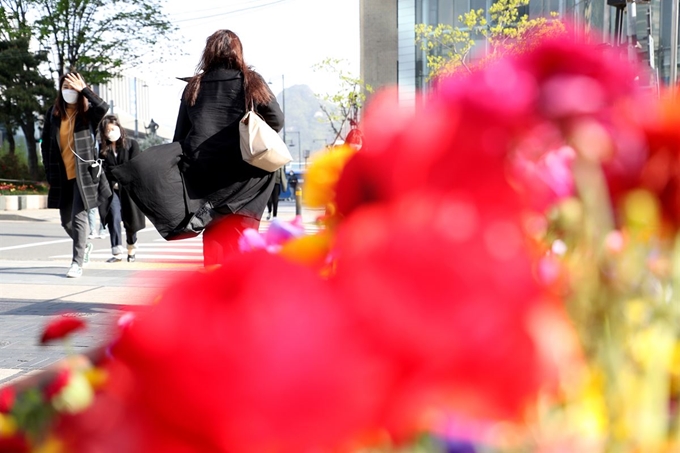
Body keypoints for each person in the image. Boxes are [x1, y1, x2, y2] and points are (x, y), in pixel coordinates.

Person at [173, 29, 284, 266]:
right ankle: (244, 300)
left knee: (213, 248)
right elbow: (277, 120)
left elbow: (180, 136)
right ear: (237, 52)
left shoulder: (194, 86)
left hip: (207, 183)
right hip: (246, 181)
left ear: (208, 53)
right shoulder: (250, 81)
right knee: (244, 248)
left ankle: (215, 299)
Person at [41, 72, 110, 278]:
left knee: (79, 218)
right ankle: (85, 245)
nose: (68, 92)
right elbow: (46, 145)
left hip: (84, 174)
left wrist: (85, 90)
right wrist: (48, 173)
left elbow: (103, 108)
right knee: (66, 221)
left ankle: (76, 263)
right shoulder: (53, 114)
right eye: (65, 87)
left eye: (73, 88)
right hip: (62, 175)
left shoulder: (87, 115)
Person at [98, 115, 146, 262]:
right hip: (112, 189)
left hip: (129, 189)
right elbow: (104, 169)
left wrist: (116, 172)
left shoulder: (132, 145)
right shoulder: (102, 149)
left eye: (113, 129)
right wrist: (116, 174)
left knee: (130, 221)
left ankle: (131, 249)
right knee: (113, 217)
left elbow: (135, 166)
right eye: (107, 131)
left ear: (119, 127)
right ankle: (116, 252)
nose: (110, 132)